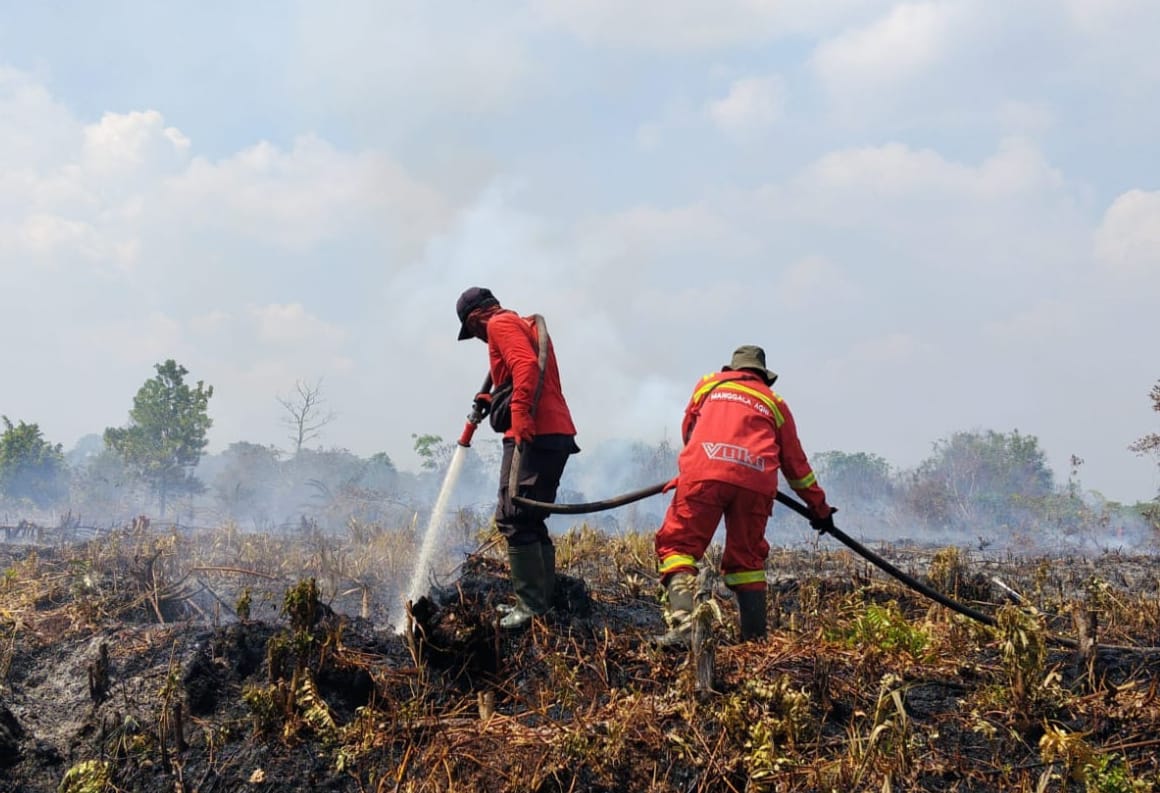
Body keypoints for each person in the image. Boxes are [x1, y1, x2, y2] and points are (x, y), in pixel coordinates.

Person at [654, 345, 836, 646]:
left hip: (703, 473)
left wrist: (697, 469)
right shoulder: (775, 402)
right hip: (755, 482)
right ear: (763, 376)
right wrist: (820, 509)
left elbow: (689, 430)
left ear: (733, 369)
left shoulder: (709, 383)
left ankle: (684, 626)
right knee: (747, 561)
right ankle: (754, 644)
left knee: (678, 547)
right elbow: (796, 466)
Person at [455, 287, 580, 629]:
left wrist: (521, 413)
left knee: (513, 515)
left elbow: (526, 366)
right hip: (553, 432)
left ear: (476, 317)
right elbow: (518, 371)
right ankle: (541, 602)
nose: (478, 338)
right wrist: (493, 396)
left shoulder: (499, 324)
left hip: (534, 433)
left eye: (473, 330)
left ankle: (531, 607)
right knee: (529, 517)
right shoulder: (521, 325)